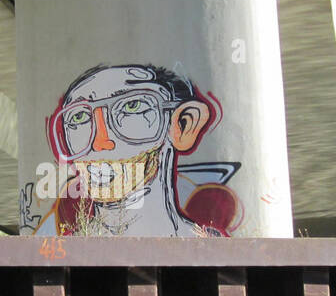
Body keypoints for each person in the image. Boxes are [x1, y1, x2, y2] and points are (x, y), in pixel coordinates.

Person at [20, 63, 242, 236]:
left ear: (183, 125)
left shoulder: (210, 251)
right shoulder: (60, 251)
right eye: (79, 117)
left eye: (132, 106)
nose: (100, 142)